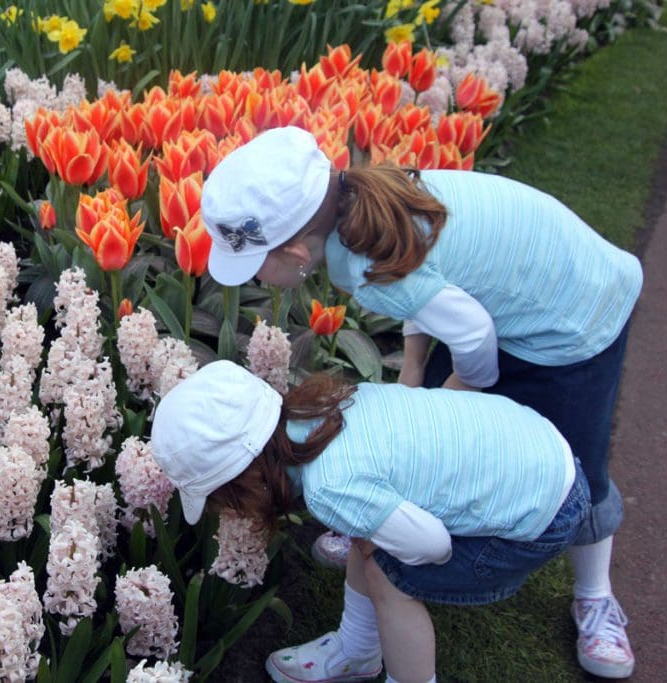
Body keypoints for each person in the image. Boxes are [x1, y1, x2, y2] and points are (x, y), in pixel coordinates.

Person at [199, 126, 641, 678]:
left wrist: (462, 391)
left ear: (294, 250)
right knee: (429, 435)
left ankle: (594, 597)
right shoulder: (366, 201)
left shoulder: (360, 261)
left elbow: (473, 333)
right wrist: (413, 369)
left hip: (575, 313)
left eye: (255, 265)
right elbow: (428, 281)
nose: (255, 278)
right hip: (512, 297)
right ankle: (374, 551)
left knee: (579, 459)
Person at [151, 360, 590, 683]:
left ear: (243, 481)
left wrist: (376, 546)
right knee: (371, 536)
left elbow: (433, 546)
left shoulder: (329, 486)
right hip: (542, 444)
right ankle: (357, 651)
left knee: (389, 575)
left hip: (541, 514)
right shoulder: (326, 408)